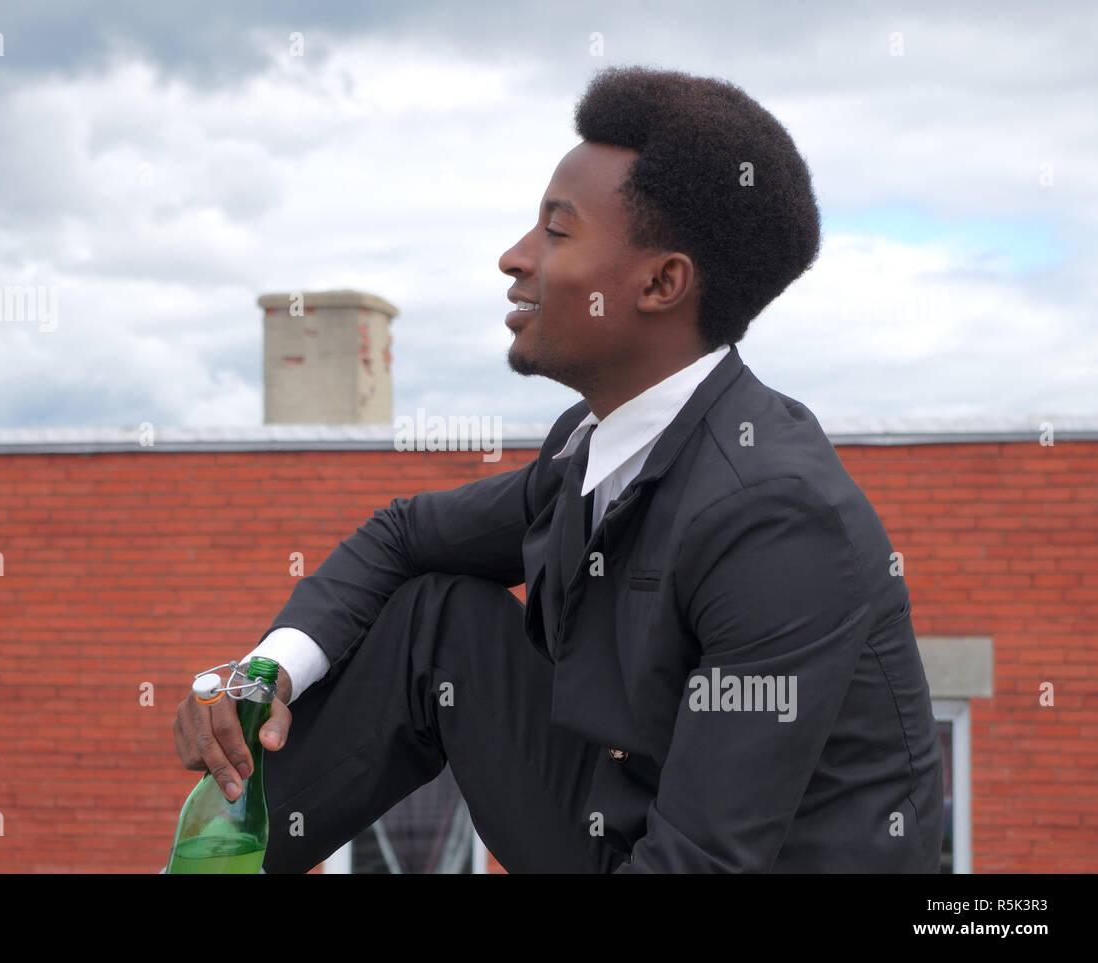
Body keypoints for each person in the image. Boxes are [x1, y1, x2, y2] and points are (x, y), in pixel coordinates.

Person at [172, 65, 944, 873]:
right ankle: (232, 856)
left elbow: (702, 862)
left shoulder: (778, 516)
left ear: (661, 282)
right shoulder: (588, 441)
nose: (513, 258)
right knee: (436, 618)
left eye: (556, 232)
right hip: (619, 826)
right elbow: (401, 534)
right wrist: (262, 676)